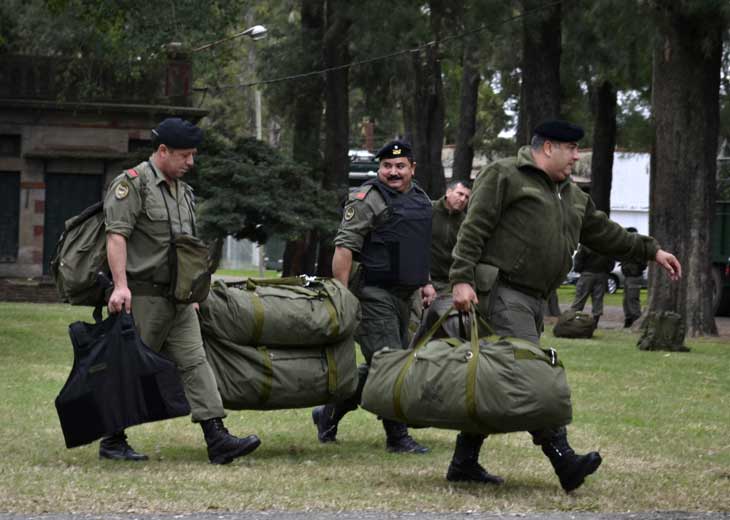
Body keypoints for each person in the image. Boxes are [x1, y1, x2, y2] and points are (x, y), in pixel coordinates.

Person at [449, 119, 682, 492]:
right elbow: (473, 228)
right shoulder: (505, 175)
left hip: (533, 299)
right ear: (547, 148)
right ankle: (563, 459)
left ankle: (463, 462)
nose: (577, 156)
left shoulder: (572, 194)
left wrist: (651, 250)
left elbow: (604, 232)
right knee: (529, 375)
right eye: (571, 149)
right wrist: (460, 278)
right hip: (501, 293)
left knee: (497, 377)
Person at [101, 117, 261, 464]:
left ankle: (217, 438)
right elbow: (116, 235)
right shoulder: (133, 185)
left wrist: (193, 294)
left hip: (179, 300)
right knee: (132, 368)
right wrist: (120, 287)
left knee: (195, 362)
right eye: (185, 155)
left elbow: (185, 247)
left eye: (193, 155)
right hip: (142, 297)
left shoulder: (183, 192)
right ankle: (112, 439)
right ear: (162, 151)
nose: (191, 162)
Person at [311, 139, 436, 453]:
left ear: (412, 168)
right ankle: (398, 437)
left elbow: (418, 247)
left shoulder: (420, 199)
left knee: (391, 363)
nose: (393, 172)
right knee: (390, 365)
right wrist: (341, 297)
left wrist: (427, 282)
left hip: (408, 297)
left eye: (400, 166)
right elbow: (344, 248)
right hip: (373, 294)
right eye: (387, 166)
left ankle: (329, 412)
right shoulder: (367, 199)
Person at [569, 244, 616, 328]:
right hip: (602, 274)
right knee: (598, 299)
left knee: (580, 298)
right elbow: (611, 261)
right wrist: (606, 271)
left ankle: (572, 320)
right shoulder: (607, 245)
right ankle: (595, 322)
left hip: (587, 274)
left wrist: (579, 269)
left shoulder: (586, 245)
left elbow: (578, 258)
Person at [621, 227, 647, 328]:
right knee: (626, 299)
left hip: (634, 276)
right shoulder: (628, 246)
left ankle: (636, 319)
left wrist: (634, 269)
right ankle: (628, 318)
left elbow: (643, 263)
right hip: (628, 276)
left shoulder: (638, 248)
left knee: (632, 299)